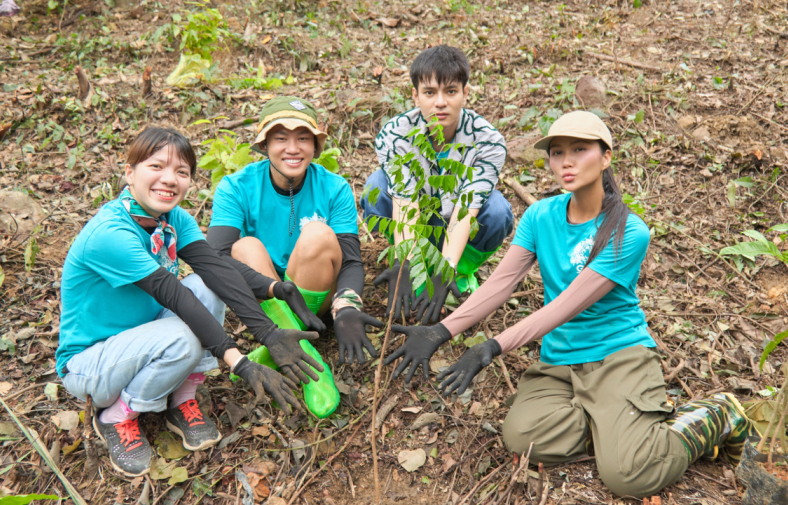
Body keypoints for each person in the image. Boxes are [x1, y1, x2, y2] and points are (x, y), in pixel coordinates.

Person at [383, 111, 755, 498]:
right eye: (557, 153)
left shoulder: (629, 231)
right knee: (523, 438)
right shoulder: (540, 215)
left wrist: (492, 346)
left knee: (629, 476)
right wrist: (440, 331)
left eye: (580, 150)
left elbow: (564, 307)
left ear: (606, 156)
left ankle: (717, 412)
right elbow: (500, 284)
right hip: (560, 363)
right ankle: (616, 424)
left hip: (617, 356)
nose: (567, 162)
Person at [58, 127, 320, 477]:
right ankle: (116, 416)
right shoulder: (111, 234)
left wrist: (276, 296)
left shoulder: (172, 218)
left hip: (146, 338)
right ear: (129, 171)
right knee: (183, 335)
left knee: (208, 286)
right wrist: (239, 362)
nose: (170, 180)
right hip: (92, 363)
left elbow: (217, 268)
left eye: (181, 172)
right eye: (157, 167)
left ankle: (181, 397)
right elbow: (174, 295)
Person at [207, 96, 382, 365]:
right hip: (268, 297)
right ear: (264, 145)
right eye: (280, 138)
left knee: (317, 233)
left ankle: (291, 342)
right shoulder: (236, 187)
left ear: (315, 145)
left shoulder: (334, 187)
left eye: (303, 138)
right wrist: (276, 287)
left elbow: (350, 259)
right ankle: (288, 339)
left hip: (315, 296)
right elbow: (215, 258)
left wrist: (347, 305)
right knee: (244, 247)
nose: (292, 149)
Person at [361, 45, 515, 324]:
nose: (440, 102)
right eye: (430, 92)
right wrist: (406, 263)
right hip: (416, 223)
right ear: (415, 96)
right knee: (376, 187)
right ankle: (419, 268)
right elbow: (404, 199)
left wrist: (445, 270)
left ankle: (460, 270)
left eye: (451, 91)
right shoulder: (395, 135)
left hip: (460, 223)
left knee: (498, 210)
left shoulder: (488, 142)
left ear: (466, 94)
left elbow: (468, 207)